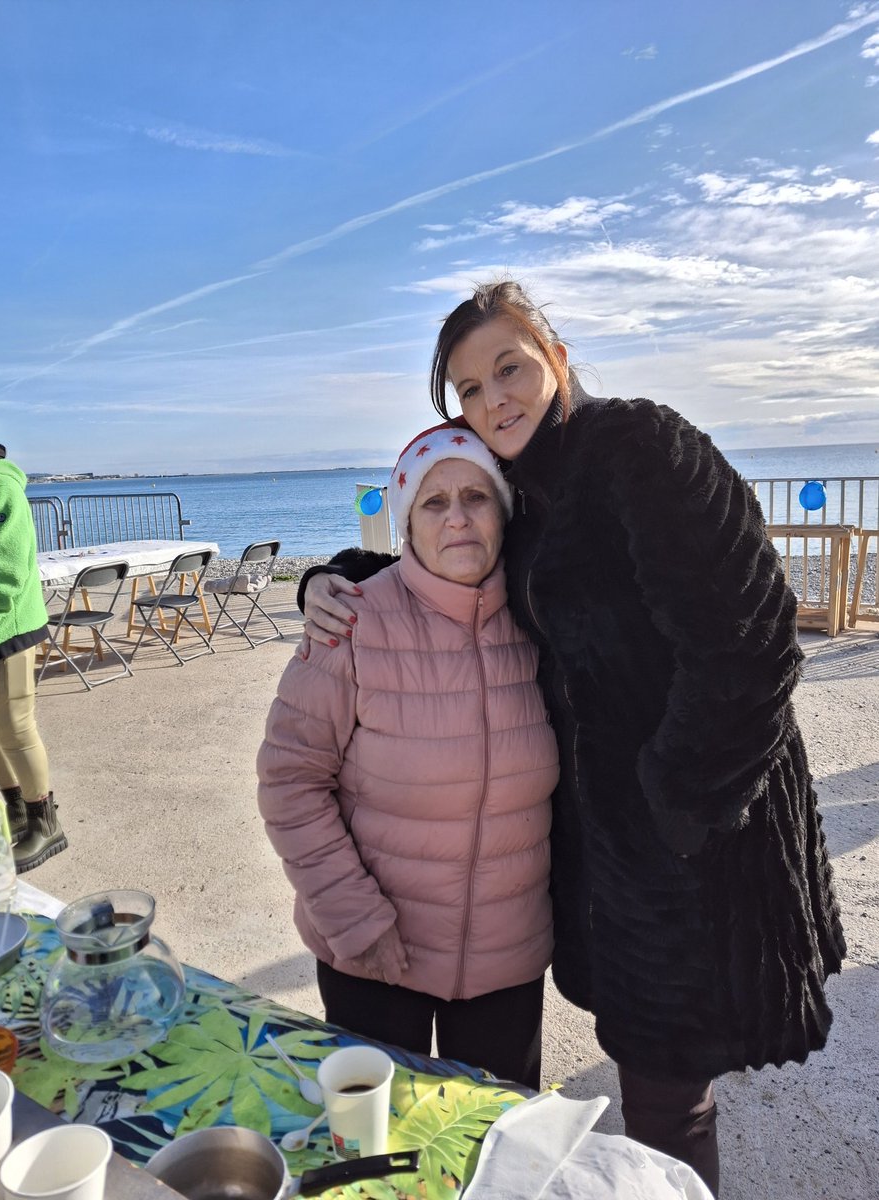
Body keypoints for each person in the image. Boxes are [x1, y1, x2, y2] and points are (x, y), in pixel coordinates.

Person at [298, 281, 846, 1196]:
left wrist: (675, 808)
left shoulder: (642, 447)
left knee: (671, 1104)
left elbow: (752, 640)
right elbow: (450, 563)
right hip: (610, 865)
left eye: (509, 367)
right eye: (470, 388)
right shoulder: (528, 490)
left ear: (556, 357)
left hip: (695, 858)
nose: (494, 398)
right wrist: (337, 575)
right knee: (651, 1089)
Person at [257, 426, 560, 1090]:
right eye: (434, 502)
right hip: (373, 957)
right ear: (406, 524)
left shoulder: (545, 622)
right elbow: (290, 781)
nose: (457, 518)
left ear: (503, 513)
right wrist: (354, 919)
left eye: (476, 497)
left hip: (506, 962)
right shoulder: (352, 621)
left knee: (493, 1140)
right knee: (377, 1140)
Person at [0, 419, 67, 872]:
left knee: (14, 728)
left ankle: (45, 823)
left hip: (4, 628)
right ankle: (16, 812)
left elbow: (5, 571)